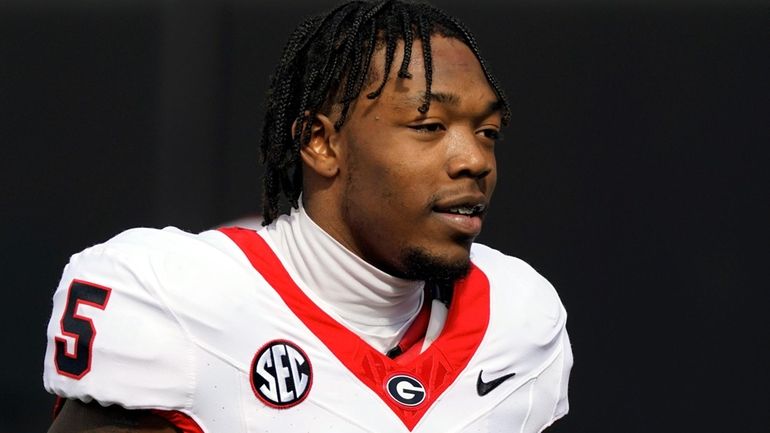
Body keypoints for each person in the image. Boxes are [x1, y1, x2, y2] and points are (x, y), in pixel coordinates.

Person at [43, 1, 573, 432]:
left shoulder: (519, 321)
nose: (475, 160)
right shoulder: (179, 299)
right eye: (430, 125)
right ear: (321, 142)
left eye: (488, 133)